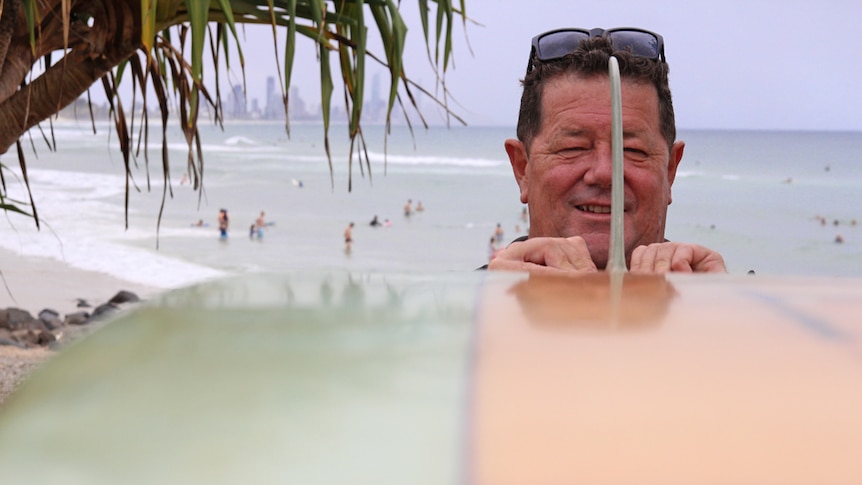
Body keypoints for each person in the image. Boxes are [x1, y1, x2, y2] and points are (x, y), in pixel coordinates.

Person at [488, 28, 725, 274]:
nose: (604, 173)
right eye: (573, 148)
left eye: (633, 150)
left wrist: (725, 305)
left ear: (670, 170)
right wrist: (492, 304)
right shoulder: (465, 304)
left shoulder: (721, 303)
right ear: (522, 169)